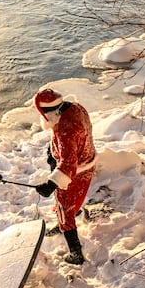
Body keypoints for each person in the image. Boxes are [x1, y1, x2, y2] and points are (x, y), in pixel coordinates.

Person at [33, 88, 96, 265]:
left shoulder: (65, 130)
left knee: (64, 207)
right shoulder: (75, 108)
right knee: (70, 204)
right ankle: (65, 222)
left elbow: (68, 164)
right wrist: (52, 152)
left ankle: (76, 253)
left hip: (76, 173)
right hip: (87, 161)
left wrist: (51, 184)